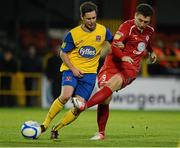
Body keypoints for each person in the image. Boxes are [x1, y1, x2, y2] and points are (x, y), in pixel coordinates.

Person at [72, 3, 157, 140]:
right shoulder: (126, 27)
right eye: (140, 20)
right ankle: (101, 133)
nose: (142, 24)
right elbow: (115, 46)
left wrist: (151, 53)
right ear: (135, 16)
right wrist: (123, 56)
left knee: (110, 85)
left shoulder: (149, 30)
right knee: (105, 98)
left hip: (130, 68)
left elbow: (147, 42)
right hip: (112, 65)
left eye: (146, 22)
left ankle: (84, 106)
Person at [40, 1, 113, 139]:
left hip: (90, 75)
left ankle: (56, 129)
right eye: (88, 18)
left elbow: (113, 43)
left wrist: (108, 50)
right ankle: (45, 124)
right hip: (71, 70)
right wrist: (73, 69)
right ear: (82, 17)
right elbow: (63, 53)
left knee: (79, 107)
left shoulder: (103, 31)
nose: (92, 21)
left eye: (94, 18)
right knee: (66, 95)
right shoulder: (73, 34)